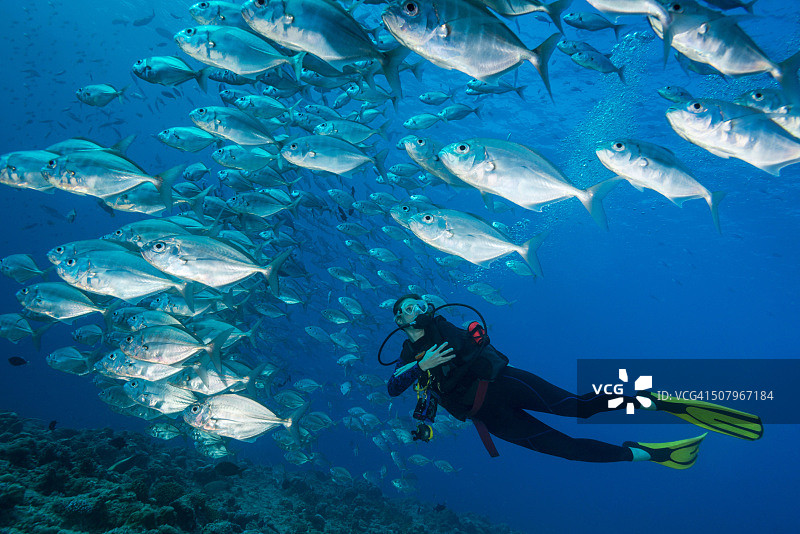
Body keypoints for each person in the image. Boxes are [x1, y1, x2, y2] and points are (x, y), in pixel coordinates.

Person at [386, 294, 763, 469]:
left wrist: (453, 345)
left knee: (578, 407)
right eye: (406, 308)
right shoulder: (406, 355)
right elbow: (394, 386)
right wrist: (422, 366)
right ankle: (651, 454)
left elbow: (468, 344)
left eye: (419, 304)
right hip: (491, 419)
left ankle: (652, 401)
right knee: (567, 449)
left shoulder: (442, 326)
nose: (416, 309)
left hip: (504, 384)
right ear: (399, 321)